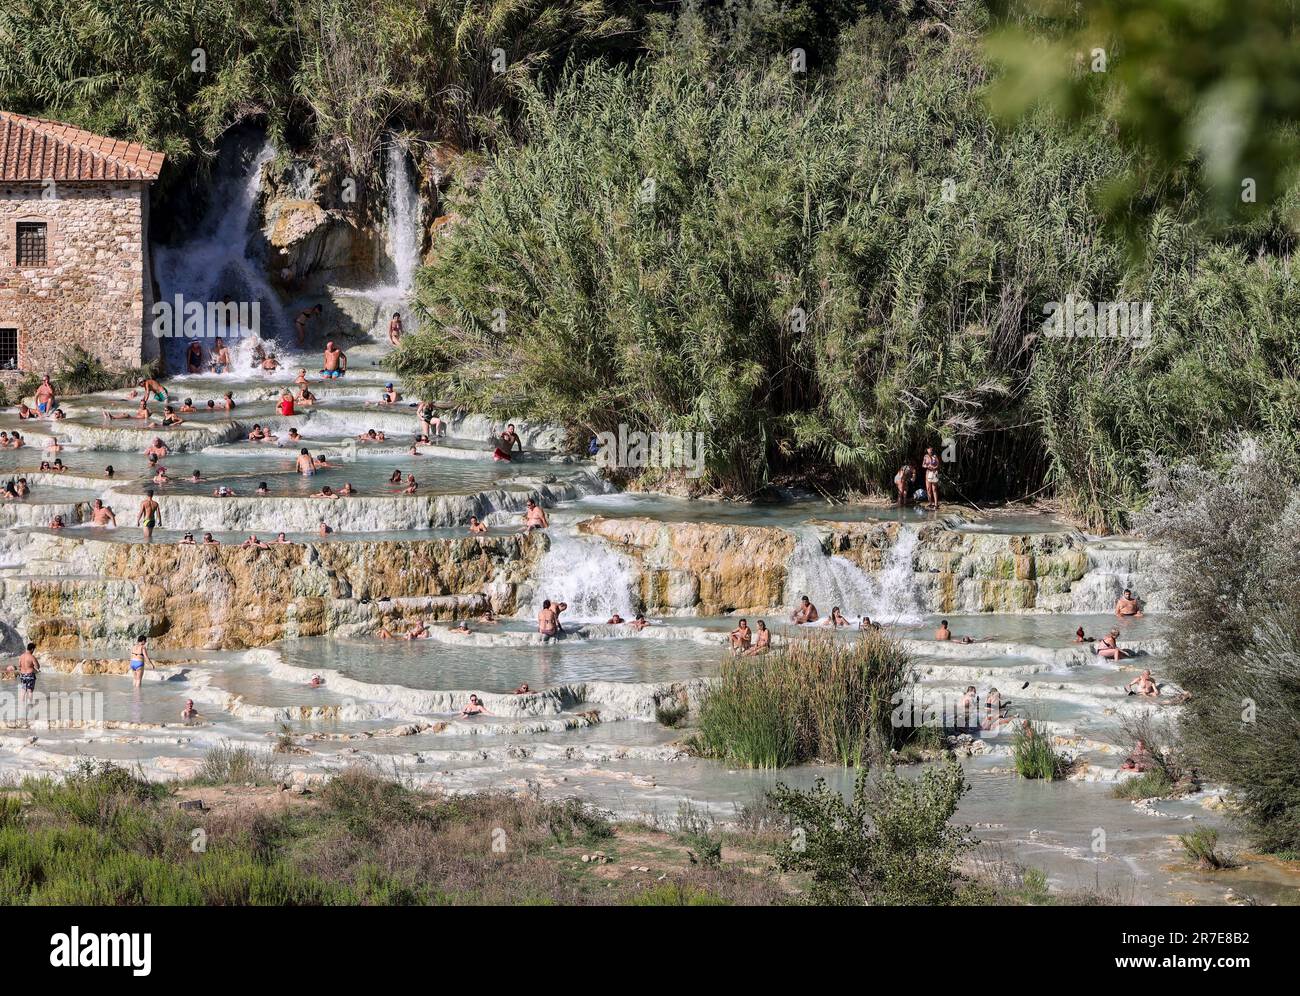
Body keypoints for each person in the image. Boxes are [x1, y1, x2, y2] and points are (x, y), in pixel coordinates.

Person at [16, 642, 39, 706]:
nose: (33, 651)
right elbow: (37, 666)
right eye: (33, 650)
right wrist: (36, 668)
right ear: (32, 649)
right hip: (30, 675)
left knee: (23, 690)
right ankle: (30, 704)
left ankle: (22, 704)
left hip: (23, 675)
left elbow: (19, 666)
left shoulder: (21, 656)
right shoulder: (32, 657)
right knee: (30, 690)